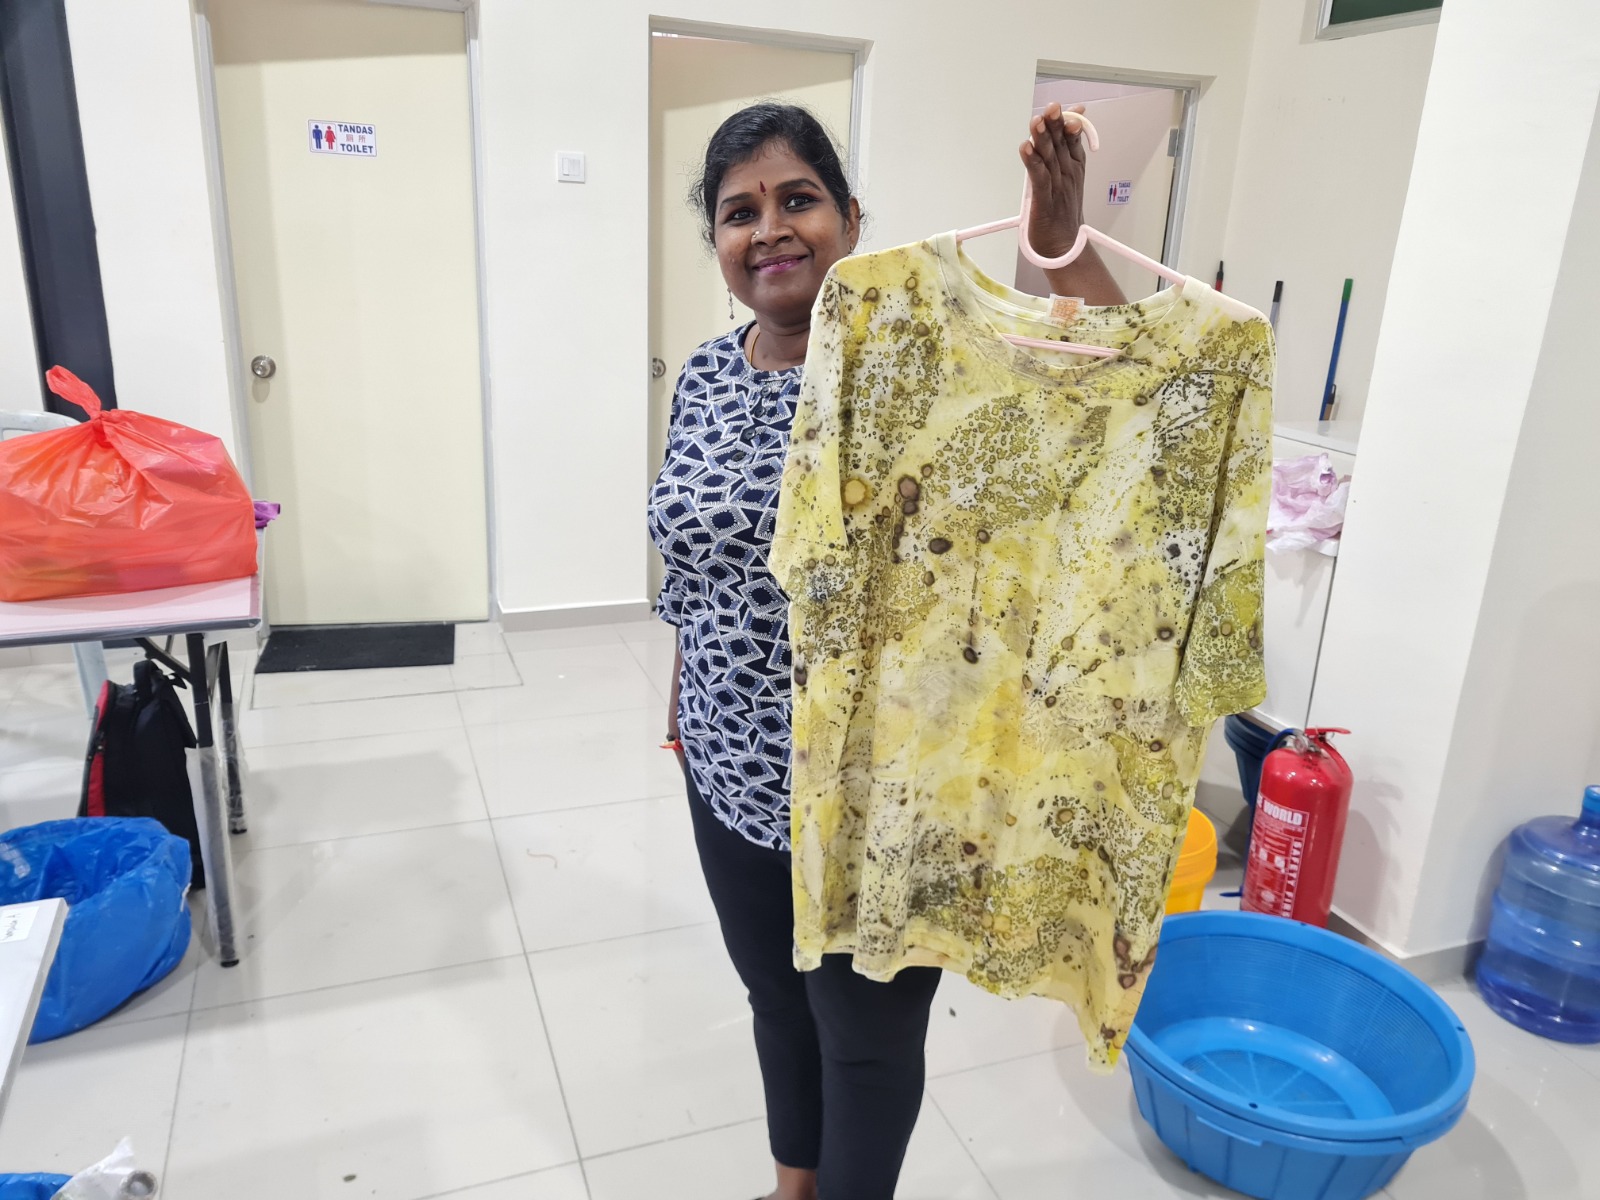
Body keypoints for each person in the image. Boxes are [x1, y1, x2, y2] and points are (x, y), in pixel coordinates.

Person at [647, 100, 1127, 1200]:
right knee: (776, 1001)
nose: (770, 228)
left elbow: (1105, 382)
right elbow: (692, 567)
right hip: (727, 770)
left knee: (861, 1043)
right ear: (717, 242)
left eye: (798, 199)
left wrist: (1056, 245)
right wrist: (682, 710)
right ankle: (793, 1186)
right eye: (739, 212)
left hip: (884, 798)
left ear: (852, 220)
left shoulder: (928, 364)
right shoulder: (707, 375)